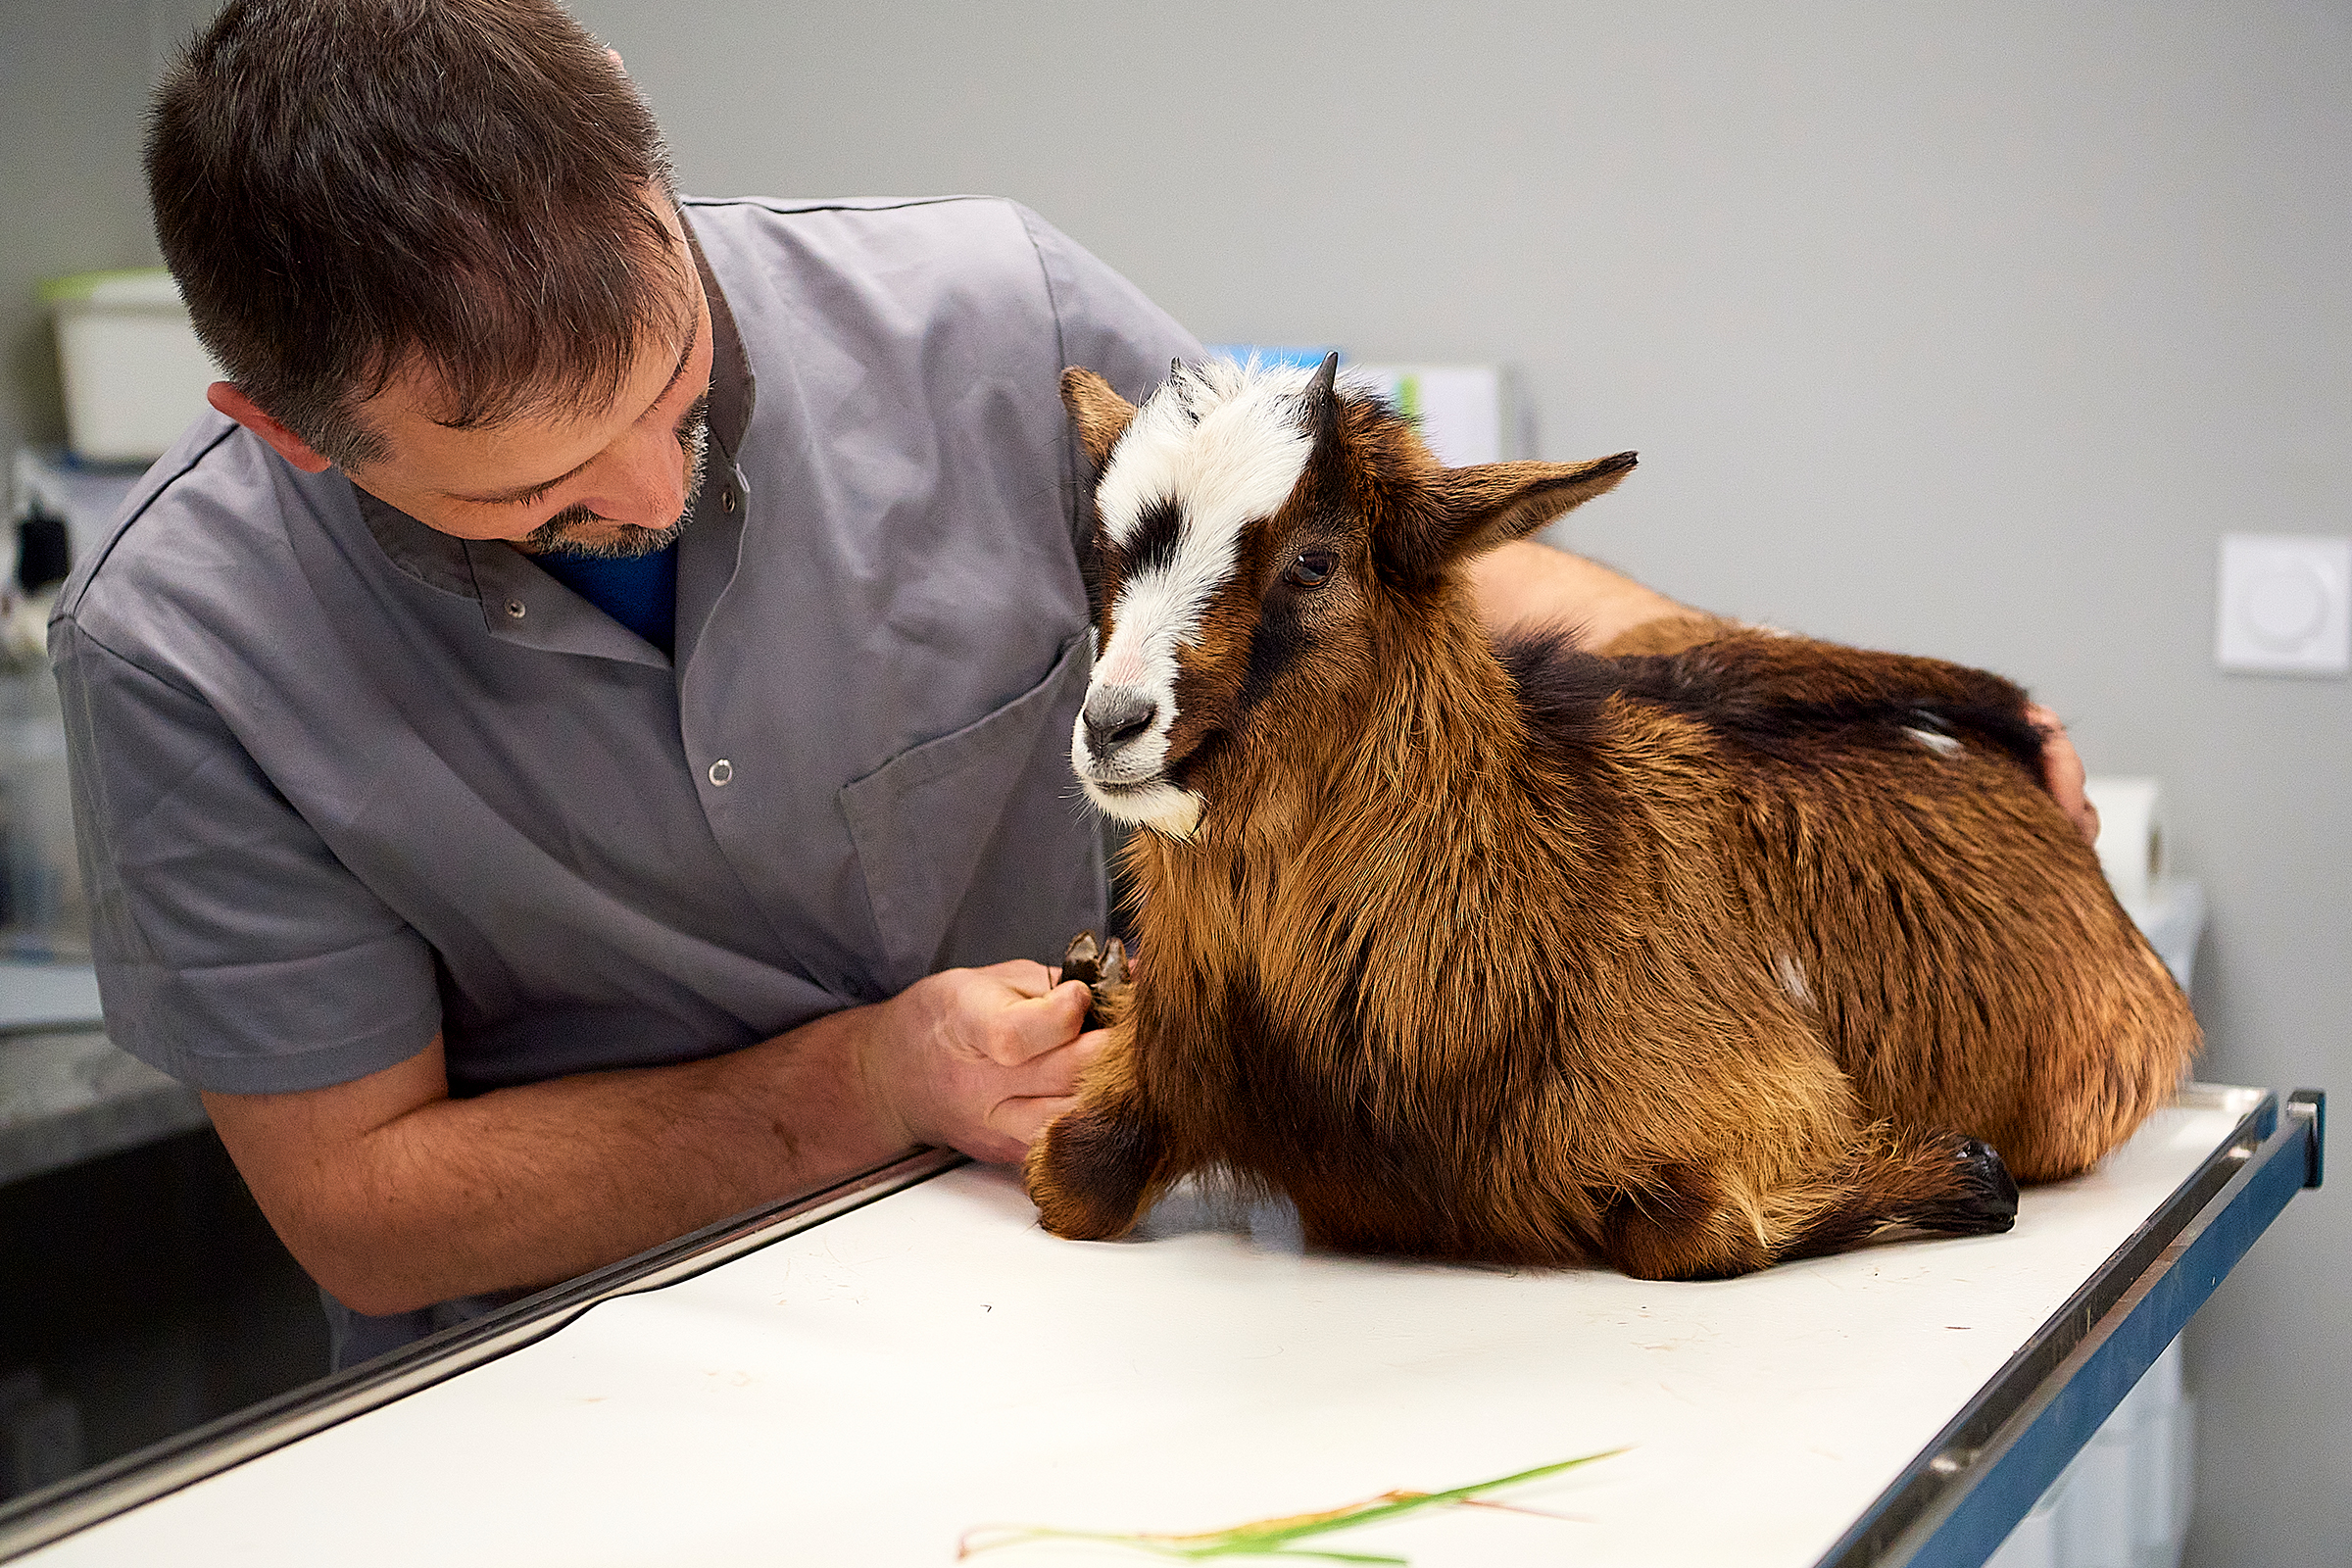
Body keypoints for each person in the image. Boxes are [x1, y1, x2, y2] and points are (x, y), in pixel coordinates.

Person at [64, 0, 2095, 1368]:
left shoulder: (978, 314)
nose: (655, 482)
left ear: (653, 193)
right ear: (291, 432)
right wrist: (862, 1080)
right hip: (581, 1399)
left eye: (678, 382)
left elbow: (1351, 592)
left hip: (1108, 1318)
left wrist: (1770, 706)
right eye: (539, 489)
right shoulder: (184, 651)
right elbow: (369, 1212)